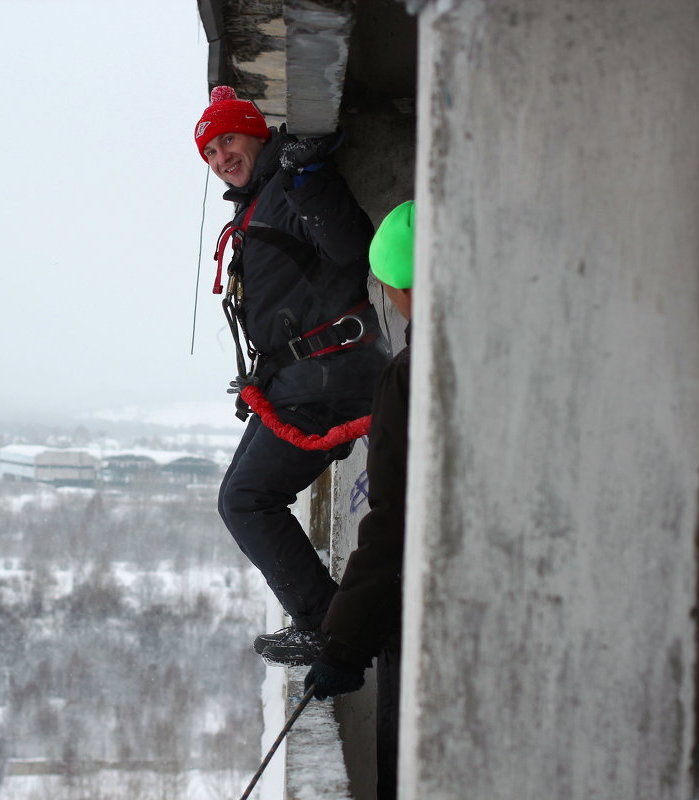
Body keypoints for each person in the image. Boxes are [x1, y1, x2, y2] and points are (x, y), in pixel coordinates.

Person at [195, 86, 390, 667]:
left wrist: (310, 180)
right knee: (242, 498)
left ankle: (333, 628)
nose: (221, 156)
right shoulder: (262, 196)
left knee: (247, 500)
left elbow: (351, 249)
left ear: (255, 130)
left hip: (328, 376)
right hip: (301, 380)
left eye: (228, 138)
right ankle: (336, 624)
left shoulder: (291, 181)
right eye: (209, 151)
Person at [302, 199, 415, 800]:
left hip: (430, 617)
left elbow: (394, 520)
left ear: (400, 286)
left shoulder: (410, 374)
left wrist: (343, 647)